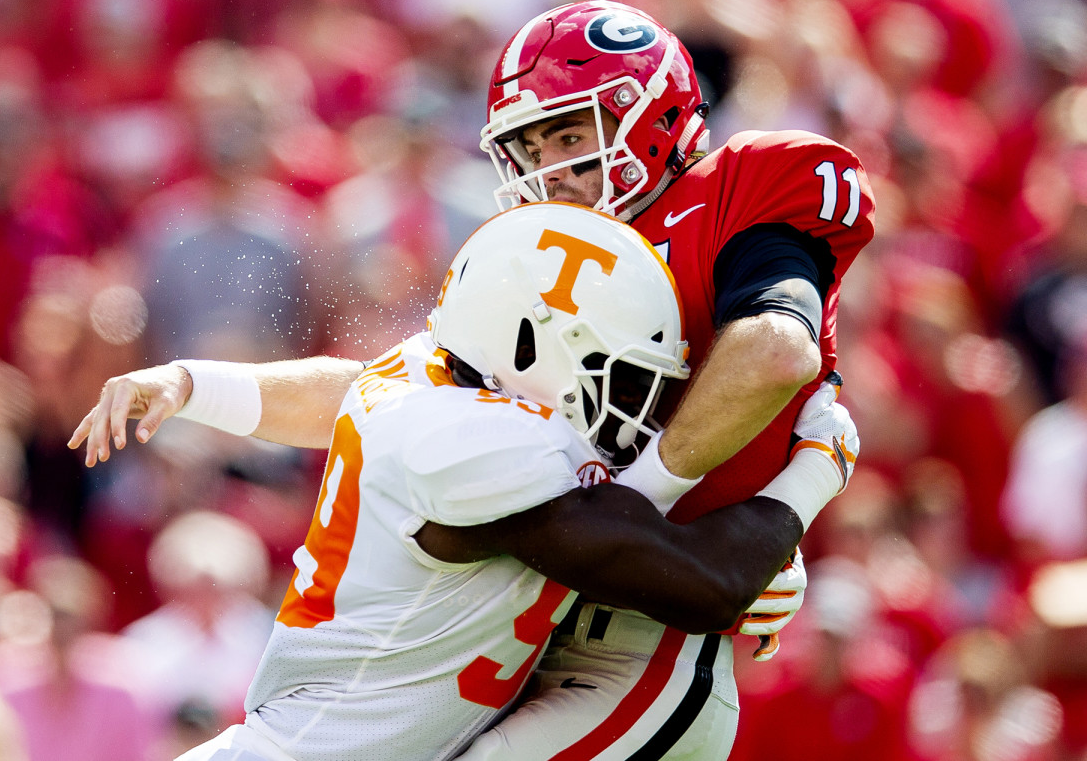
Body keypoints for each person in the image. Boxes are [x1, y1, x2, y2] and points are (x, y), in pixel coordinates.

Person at [71, 0, 872, 758]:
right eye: (529, 148)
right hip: (589, 603)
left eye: (564, 135)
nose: (548, 171)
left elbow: (775, 348)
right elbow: (385, 384)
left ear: (650, 112)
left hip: (637, 637)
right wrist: (777, 501)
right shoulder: (502, 348)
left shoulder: (736, 192)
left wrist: (685, 507)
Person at [155, 202, 853, 760]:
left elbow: (346, 389)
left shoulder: (429, 379)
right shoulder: (483, 448)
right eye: (626, 376)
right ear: (528, 341)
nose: (635, 407)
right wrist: (819, 464)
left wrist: (194, 383)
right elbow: (699, 578)